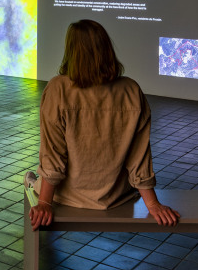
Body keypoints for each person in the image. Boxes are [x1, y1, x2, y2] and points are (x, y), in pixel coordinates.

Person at [26, 19, 180, 230]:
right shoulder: (131, 90)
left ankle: (32, 182)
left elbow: (53, 156)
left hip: (68, 197)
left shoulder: (58, 89)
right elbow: (139, 156)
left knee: (34, 180)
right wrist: (153, 204)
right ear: (106, 49)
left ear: (72, 52)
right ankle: (32, 181)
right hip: (116, 196)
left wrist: (44, 203)